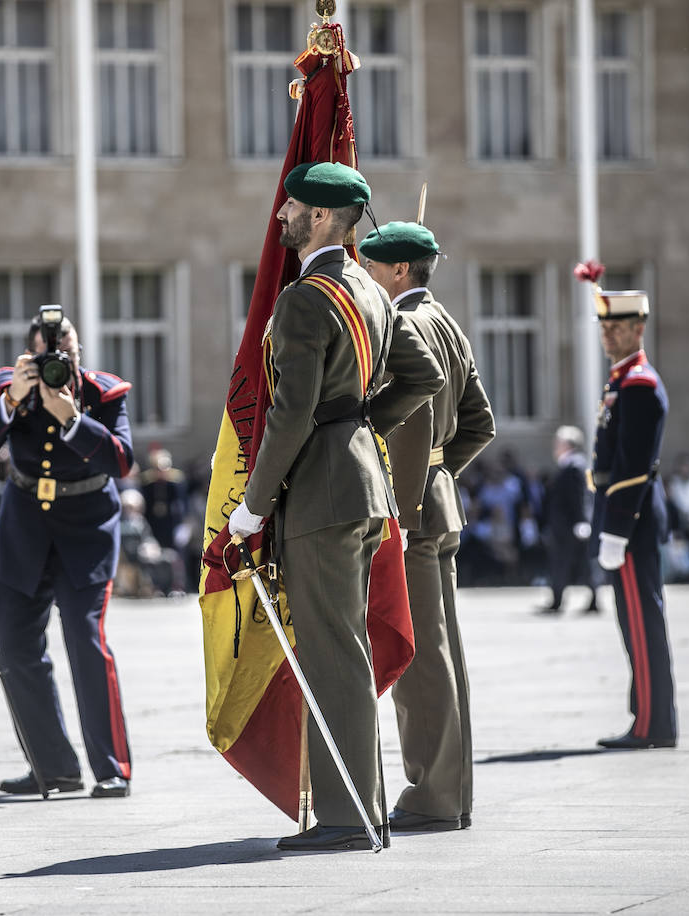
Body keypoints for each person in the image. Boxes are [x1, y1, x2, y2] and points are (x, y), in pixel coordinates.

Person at [226, 163, 443, 851]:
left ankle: (348, 816)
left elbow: (289, 418)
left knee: (331, 653)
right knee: (340, 646)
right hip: (359, 482)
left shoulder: (303, 299)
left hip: (318, 491)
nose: (282, 211)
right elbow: (422, 376)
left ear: (323, 217)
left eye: (294, 203)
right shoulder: (369, 290)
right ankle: (362, 807)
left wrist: (252, 507)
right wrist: (360, 424)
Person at [0, 309, 136, 800]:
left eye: (69, 350)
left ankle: (111, 768)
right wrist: (12, 398)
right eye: (49, 353)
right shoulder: (8, 389)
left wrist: (72, 419)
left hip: (86, 534)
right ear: (30, 355)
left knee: (86, 643)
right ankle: (52, 766)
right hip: (23, 531)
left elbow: (122, 461)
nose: (61, 360)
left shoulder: (103, 394)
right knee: (16, 651)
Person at [359, 221, 496, 834]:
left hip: (412, 510)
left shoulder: (406, 325)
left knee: (419, 659)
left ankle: (434, 795)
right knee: (445, 652)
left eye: (370, 267)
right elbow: (479, 423)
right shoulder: (447, 322)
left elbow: (410, 424)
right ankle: (452, 792)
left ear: (398, 272)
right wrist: (441, 476)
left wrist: (405, 507)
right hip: (438, 500)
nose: (363, 275)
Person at [586, 280, 677, 750]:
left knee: (641, 624)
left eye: (618, 326)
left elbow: (634, 467)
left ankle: (651, 726)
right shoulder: (623, 379)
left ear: (639, 328)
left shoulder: (638, 384)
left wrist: (616, 530)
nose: (609, 334)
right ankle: (648, 718)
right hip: (627, 517)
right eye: (605, 326)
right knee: (635, 622)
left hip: (633, 520)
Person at [539, 426, 599, 614]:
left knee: (571, 563)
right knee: (569, 563)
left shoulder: (575, 466)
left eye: (559, 443)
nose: (555, 447)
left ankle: (567, 600)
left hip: (570, 526)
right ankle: (559, 598)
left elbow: (579, 496)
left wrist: (582, 521)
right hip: (565, 525)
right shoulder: (569, 465)